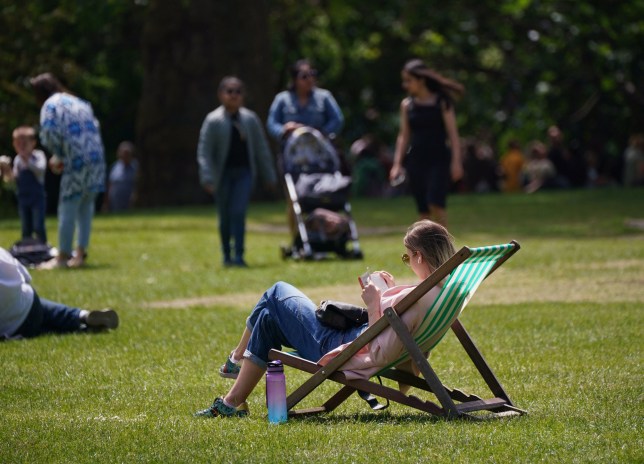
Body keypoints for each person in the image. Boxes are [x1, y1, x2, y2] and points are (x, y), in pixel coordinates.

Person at [194, 219, 455, 418]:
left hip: (340, 346)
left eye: (406, 257)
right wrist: (388, 292)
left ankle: (237, 360)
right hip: (349, 339)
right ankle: (233, 402)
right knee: (267, 319)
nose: (407, 262)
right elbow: (405, 340)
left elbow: (377, 352)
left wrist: (375, 303)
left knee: (277, 291)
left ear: (419, 255)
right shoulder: (440, 293)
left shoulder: (420, 297)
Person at [197, 76, 278, 267]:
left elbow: (261, 148)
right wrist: (207, 176)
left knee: (238, 212)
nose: (233, 95)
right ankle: (227, 255)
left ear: (243, 95)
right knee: (225, 216)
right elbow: (204, 151)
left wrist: (269, 175)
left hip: (244, 174)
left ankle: (239, 255)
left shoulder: (250, 119)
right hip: (222, 176)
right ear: (221, 95)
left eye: (238, 91)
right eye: (229, 91)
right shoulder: (213, 120)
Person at [30, 73, 106, 268]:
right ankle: (79, 254)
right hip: (96, 158)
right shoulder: (79, 101)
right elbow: (95, 127)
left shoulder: (50, 105)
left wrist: (58, 156)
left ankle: (62, 257)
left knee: (68, 207)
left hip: (76, 161)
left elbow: (49, 133)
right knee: (86, 206)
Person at [389, 59, 465, 227]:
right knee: (423, 210)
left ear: (421, 80)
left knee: (436, 203)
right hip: (416, 160)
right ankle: (424, 251)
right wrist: (397, 164)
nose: (405, 85)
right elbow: (403, 135)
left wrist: (456, 162)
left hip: (439, 159)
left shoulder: (442, 102)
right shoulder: (407, 105)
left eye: (409, 80)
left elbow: (453, 135)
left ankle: (445, 248)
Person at [0, 247, 118, 340]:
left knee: (44, 327)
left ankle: (83, 328)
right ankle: (82, 315)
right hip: (30, 302)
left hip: (14, 326)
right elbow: (25, 276)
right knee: (45, 311)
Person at [266, 59, 344, 143]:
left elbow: (337, 119)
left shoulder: (324, 96)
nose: (309, 79)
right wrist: (283, 130)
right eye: (304, 76)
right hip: (291, 150)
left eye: (312, 74)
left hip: (319, 150)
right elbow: (271, 123)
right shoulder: (282, 99)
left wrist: (322, 133)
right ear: (294, 79)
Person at [5, 126, 48, 243]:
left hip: (37, 198)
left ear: (33, 143)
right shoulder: (17, 160)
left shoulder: (38, 156)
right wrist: (7, 170)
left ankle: (42, 247)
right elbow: (14, 180)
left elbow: (40, 169)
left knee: (38, 225)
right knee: (26, 227)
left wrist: (26, 159)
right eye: (18, 144)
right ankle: (27, 249)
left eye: (24, 143)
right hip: (23, 198)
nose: (21, 147)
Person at [105, 141, 139, 212]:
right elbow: (110, 185)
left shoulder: (136, 167)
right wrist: (106, 202)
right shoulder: (114, 167)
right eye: (123, 153)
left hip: (130, 203)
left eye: (127, 154)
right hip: (116, 202)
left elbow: (138, 184)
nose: (125, 156)